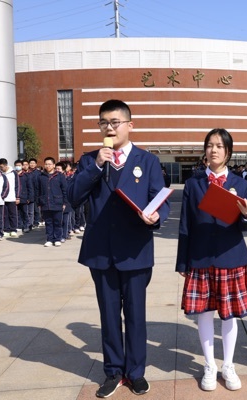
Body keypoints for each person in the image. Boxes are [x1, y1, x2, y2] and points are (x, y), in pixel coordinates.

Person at [68, 99, 169, 398]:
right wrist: (98, 165)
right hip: (101, 251)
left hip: (135, 251)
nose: (109, 127)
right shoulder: (90, 160)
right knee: (109, 315)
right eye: (104, 123)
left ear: (129, 125)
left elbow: (159, 198)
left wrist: (155, 218)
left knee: (136, 314)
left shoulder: (147, 160)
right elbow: (74, 196)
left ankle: (136, 372)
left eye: (115, 122)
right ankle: (113, 371)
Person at [176, 128, 247, 392]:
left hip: (230, 256)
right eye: (210, 145)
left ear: (228, 152)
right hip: (200, 257)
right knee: (204, 314)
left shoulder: (242, 184)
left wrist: (246, 215)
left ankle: (228, 365)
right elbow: (185, 224)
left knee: (230, 315)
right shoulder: (194, 183)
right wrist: (182, 262)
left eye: (219, 146)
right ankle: (209, 365)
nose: (213, 150)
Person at [35, 157, 67, 247]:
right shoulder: (41, 176)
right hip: (45, 202)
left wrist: (64, 202)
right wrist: (39, 203)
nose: (47, 166)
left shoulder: (60, 176)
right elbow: (38, 190)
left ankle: (57, 239)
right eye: (46, 164)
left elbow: (65, 190)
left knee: (57, 222)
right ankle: (49, 239)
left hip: (57, 202)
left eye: (49, 164)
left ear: (54, 165)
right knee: (48, 222)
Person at [0, 158, 20, 237]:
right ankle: (6, 229)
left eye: (2, 166)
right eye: (0, 167)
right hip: (2, 198)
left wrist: (17, 197)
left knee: (13, 214)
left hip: (12, 197)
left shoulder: (13, 173)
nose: (1, 168)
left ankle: (13, 229)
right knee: (4, 215)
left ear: (6, 165)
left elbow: (17, 185)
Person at [15, 159, 33, 233]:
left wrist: (29, 197)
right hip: (15, 197)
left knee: (25, 212)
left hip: (24, 197)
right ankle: (19, 225)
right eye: (16, 165)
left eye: (19, 165)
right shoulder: (14, 175)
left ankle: (26, 226)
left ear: (22, 166)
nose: (17, 167)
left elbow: (30, 187)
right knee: (18, 213)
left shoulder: (26, 175)